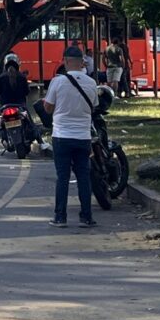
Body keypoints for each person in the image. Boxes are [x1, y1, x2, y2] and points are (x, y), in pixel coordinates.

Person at [43, 45, 99, 228]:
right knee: (83, 176)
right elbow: (94, 106)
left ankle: (60, 217)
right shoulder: (91, 83)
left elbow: (48, 108)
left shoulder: (57, 82)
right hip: (83, 137)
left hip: (61, 136)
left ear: (65, 61)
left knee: (63, 177)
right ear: (82, 62)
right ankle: (86, 217)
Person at [0, 53, 30, 155]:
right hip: (20, 106)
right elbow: (26, 92)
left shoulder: (2, 77)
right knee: (30, 122)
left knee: (0, 127)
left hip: (5, 106)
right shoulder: (22, 77)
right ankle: (41, 142)